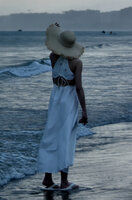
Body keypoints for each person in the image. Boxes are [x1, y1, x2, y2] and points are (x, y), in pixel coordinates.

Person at [38, 23, 88, 191]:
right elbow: (79, 88)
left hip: (55, 98)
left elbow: (55, 47)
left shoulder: (53, 57)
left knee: (51, 135)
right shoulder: (77, 63)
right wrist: (85, 111)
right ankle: (64, 182)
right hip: (68, 100)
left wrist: (56, 32)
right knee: (66, 137)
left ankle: (47, 178)